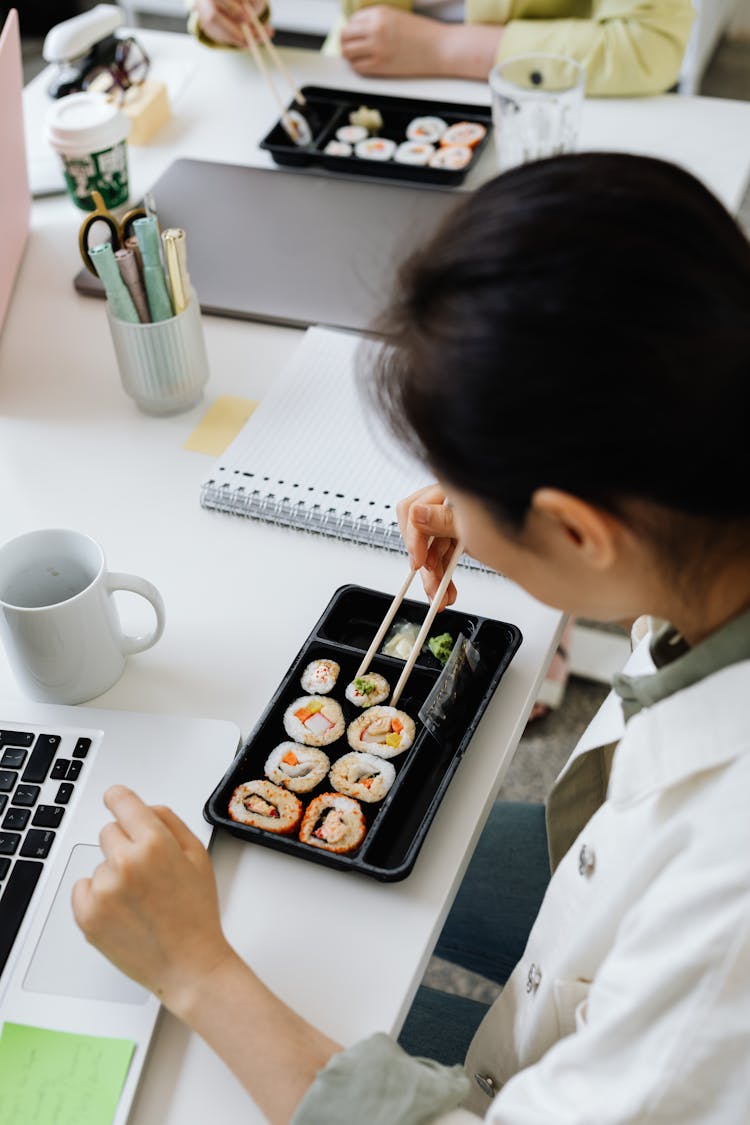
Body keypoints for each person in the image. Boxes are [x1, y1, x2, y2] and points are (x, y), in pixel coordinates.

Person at [72, 153, 750, 1122]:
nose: (450, 523)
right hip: (599, 852)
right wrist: (497, 500)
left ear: (580, 529)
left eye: (466, 497)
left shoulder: (726, 923)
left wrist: (196, 971)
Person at [189, 0, 694, 95]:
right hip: (355, 77)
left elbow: (651, 45)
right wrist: (230, 13)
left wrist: (442, 48)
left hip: (538, 100)